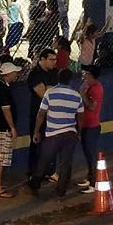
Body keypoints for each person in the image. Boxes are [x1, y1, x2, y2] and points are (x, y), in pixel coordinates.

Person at [29, 70, 84, 198]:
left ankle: (35, 185)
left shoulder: (50, 93)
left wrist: (36, 131)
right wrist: (79, 132)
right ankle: (61, 192)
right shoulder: (77, 96)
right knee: (65, 164)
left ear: (58, 79)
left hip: (53, 134)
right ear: (70, 80)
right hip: (70, 133)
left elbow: (41, 113)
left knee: (44, 161)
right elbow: (80, 116)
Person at [0, 61, 22, 199]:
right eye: (15, 72)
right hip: (2, 128)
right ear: (8, 74)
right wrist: (12, 127)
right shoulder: (1, 88)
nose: (16, 75)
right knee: (2, 158)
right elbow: (6, 109)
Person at [76, 65, 105, 194]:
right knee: (88, 155)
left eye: (86, 73)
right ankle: (90, 178)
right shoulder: (89, 86)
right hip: (86, 125)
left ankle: (93, 183)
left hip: (91, 126)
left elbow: (92, 106)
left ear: (92, 76)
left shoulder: (96, 89)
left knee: (91, 155)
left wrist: (82, 94)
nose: (83, 75)